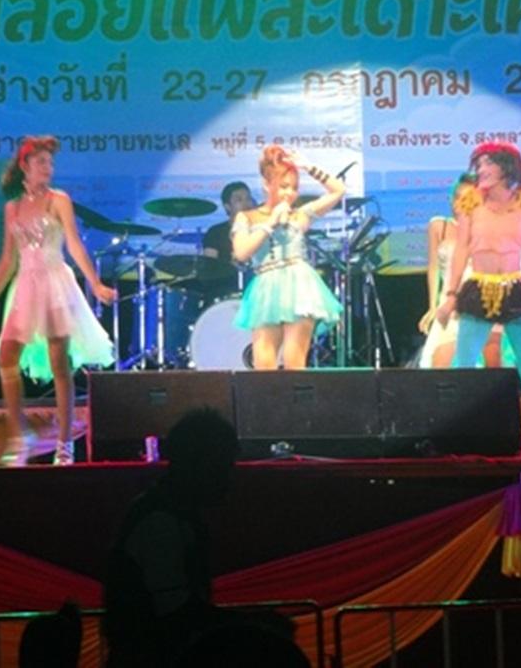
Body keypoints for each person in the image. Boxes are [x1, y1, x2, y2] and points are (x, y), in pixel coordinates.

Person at [0, 135, 116, 465]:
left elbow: (74, 244)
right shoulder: (13, 207)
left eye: (50, 162)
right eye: (41, 162)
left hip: (53, 283)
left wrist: (95, 284)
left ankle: (65, 443)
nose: (48, 168)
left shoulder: (58, 199)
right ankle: (19, 436)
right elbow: (8, 259)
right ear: (25, 166)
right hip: (25, 286)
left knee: (59, 361)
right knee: (6, 356)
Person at [436, 142, 521, 439]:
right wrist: (450, 295)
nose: (481, 170)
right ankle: (458, 433)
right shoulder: (470, 201)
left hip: (515, 289)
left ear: (505, 167)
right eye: (479, 165)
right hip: (479, 289)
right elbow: (461, 248)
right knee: (464, 366)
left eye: (487, 164)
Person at [103, 407, 239, 668]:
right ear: (201, 466)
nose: (229, 479)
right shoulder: (162, 521)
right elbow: (177, 615)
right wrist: (250, 626)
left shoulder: (166, 513)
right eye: (224, 466)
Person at [231, 146, 345, 369]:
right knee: (264, 365)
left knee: (294, 363)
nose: (290, 193)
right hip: (266, 289)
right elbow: (242, 253)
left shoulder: (300, 214)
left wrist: (308, 166)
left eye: (294, 188)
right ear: (266, 185)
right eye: (284, 186)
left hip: (300, 287)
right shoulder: (247, 217)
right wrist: (269, 223)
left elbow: (338, 191)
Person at [418, 174, 506, 369]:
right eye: (456, 197)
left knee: (490, 362)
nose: (458, 203)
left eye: (466, 198)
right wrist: (432, 306)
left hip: (480, 302)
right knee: (438, 363)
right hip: (448, 301)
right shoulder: (439, 226)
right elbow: (433, 267)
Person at [201, 181, 253, 263]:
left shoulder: (261, 229)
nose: (246, 203)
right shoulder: (215, 233)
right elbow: (210, 265)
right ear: (227, 206)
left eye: (248, 198)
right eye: (239, 200)